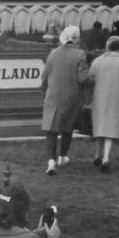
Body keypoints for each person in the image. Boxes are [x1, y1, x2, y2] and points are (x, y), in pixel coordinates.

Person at [41, 25, 90, 175]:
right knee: (67, 128)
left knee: (51, 130)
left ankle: (51, 161)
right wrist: (93, 78)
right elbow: (83, 78)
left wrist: (45, 93)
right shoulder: (80, 55)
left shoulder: (53, 54)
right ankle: (62, 156)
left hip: (53, 96)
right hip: (71, 97)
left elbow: (44, 77)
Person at [87, 35, 119, 173]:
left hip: (99, 98)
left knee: (100, 126)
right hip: (117, 99)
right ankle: (106, 158)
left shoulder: (97, 61)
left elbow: (90, 82)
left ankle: (98, 154)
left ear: (107, 46)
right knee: (111, 129)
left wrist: (88, 100)